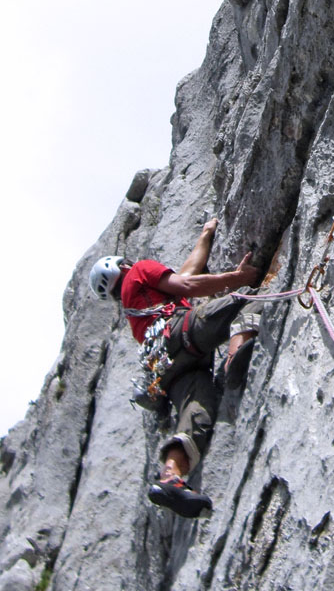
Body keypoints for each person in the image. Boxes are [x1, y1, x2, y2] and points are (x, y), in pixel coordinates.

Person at [89, 218, 262, 518]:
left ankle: (171, 477)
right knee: (249, 298)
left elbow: (187, 271)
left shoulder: (138, 309)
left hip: (170, 368)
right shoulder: (140, 270)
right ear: (123, 265)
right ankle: (235, 356)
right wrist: (236, 277)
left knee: (197, 412)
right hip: (181, 331)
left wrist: (206, 235)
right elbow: (186, 285)